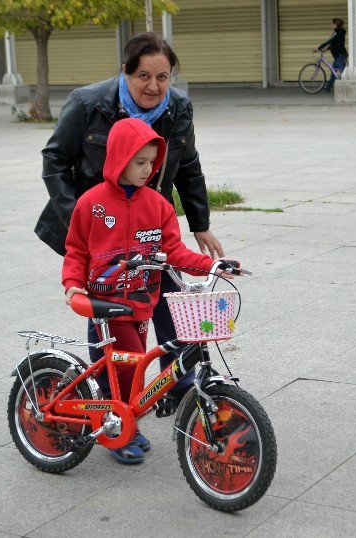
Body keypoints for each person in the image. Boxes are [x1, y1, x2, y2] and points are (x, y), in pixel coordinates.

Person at [36, 31, 224, 419]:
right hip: (97, 227)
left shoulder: (178, 107)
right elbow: (54, 160)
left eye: (163, 77)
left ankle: (178, 384)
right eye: (143, 76)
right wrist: (84, 225)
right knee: (112, 319)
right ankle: (112, 401)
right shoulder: (88, 103)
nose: (154, 86)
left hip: (151, 223)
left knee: (172, 302)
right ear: (125, 72)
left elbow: (188, 165)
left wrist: (200, 222)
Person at [62, 118, 219, 464]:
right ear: (119, 157)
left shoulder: (159, 205)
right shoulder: (92, 203)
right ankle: (116, 429)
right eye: (140, 161)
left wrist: (210, 266)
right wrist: (73, 285)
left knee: (130, 368)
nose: (149, 169)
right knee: (125, 368)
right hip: (105, 304)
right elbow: (76, 250)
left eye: (152, 162)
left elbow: (173, 251)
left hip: (141, 304)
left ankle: (123, 421)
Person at [316, 18, 348, 92]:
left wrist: (319, 48)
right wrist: (325, 49)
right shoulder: (336, 32)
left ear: (336, 25)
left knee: (343, 72)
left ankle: (348, 86)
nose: (331, 25)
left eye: (332, 24)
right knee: (333, 71)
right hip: (337, 55)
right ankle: (328, 87)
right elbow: (334, 44)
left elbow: (329, 41)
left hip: (340, 55)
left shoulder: (338, 33)